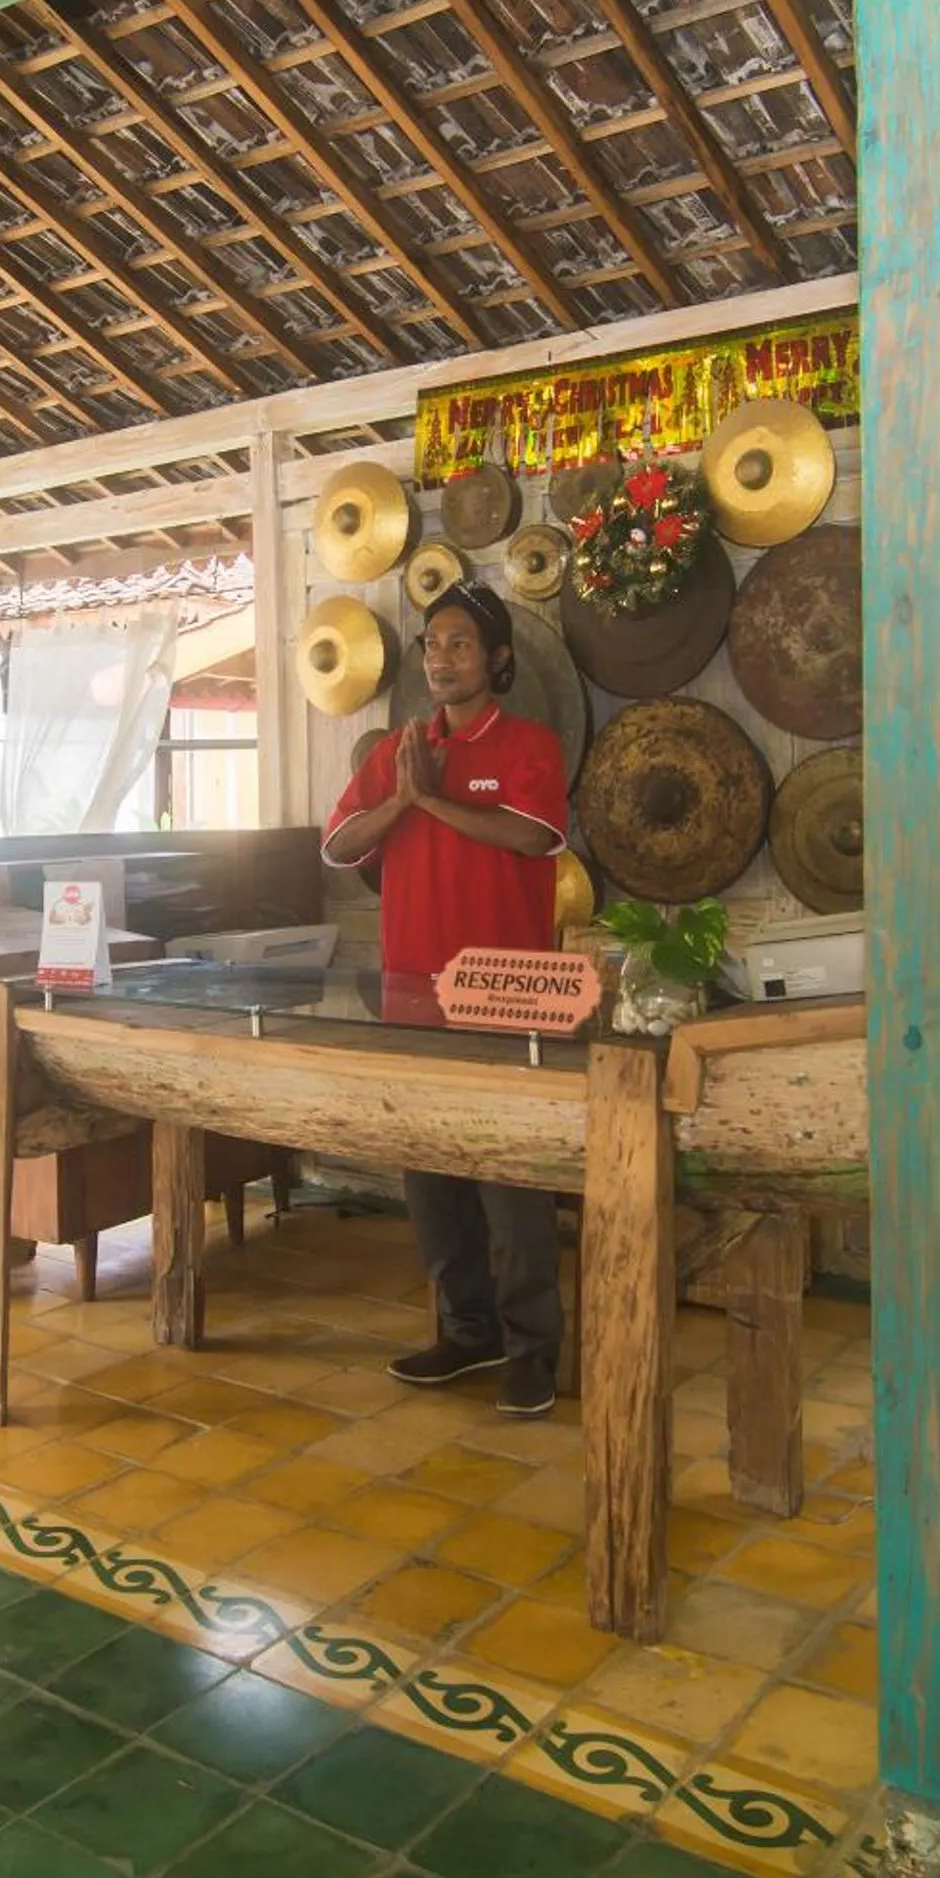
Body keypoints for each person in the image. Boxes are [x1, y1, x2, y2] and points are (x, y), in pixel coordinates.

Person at [322, 582, 569, 1418]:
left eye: (460, 644)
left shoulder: (532, 744)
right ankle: (468, 1332)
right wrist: (400, 795)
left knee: (512, 1183)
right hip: (411, 995)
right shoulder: (397, 748)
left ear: (497, 659)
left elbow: (532, 836)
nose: (441, 658)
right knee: (430, 1177)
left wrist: (433, 800)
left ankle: (534, 1346)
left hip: (511, 997)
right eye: (433, 644)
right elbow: (338, 845)